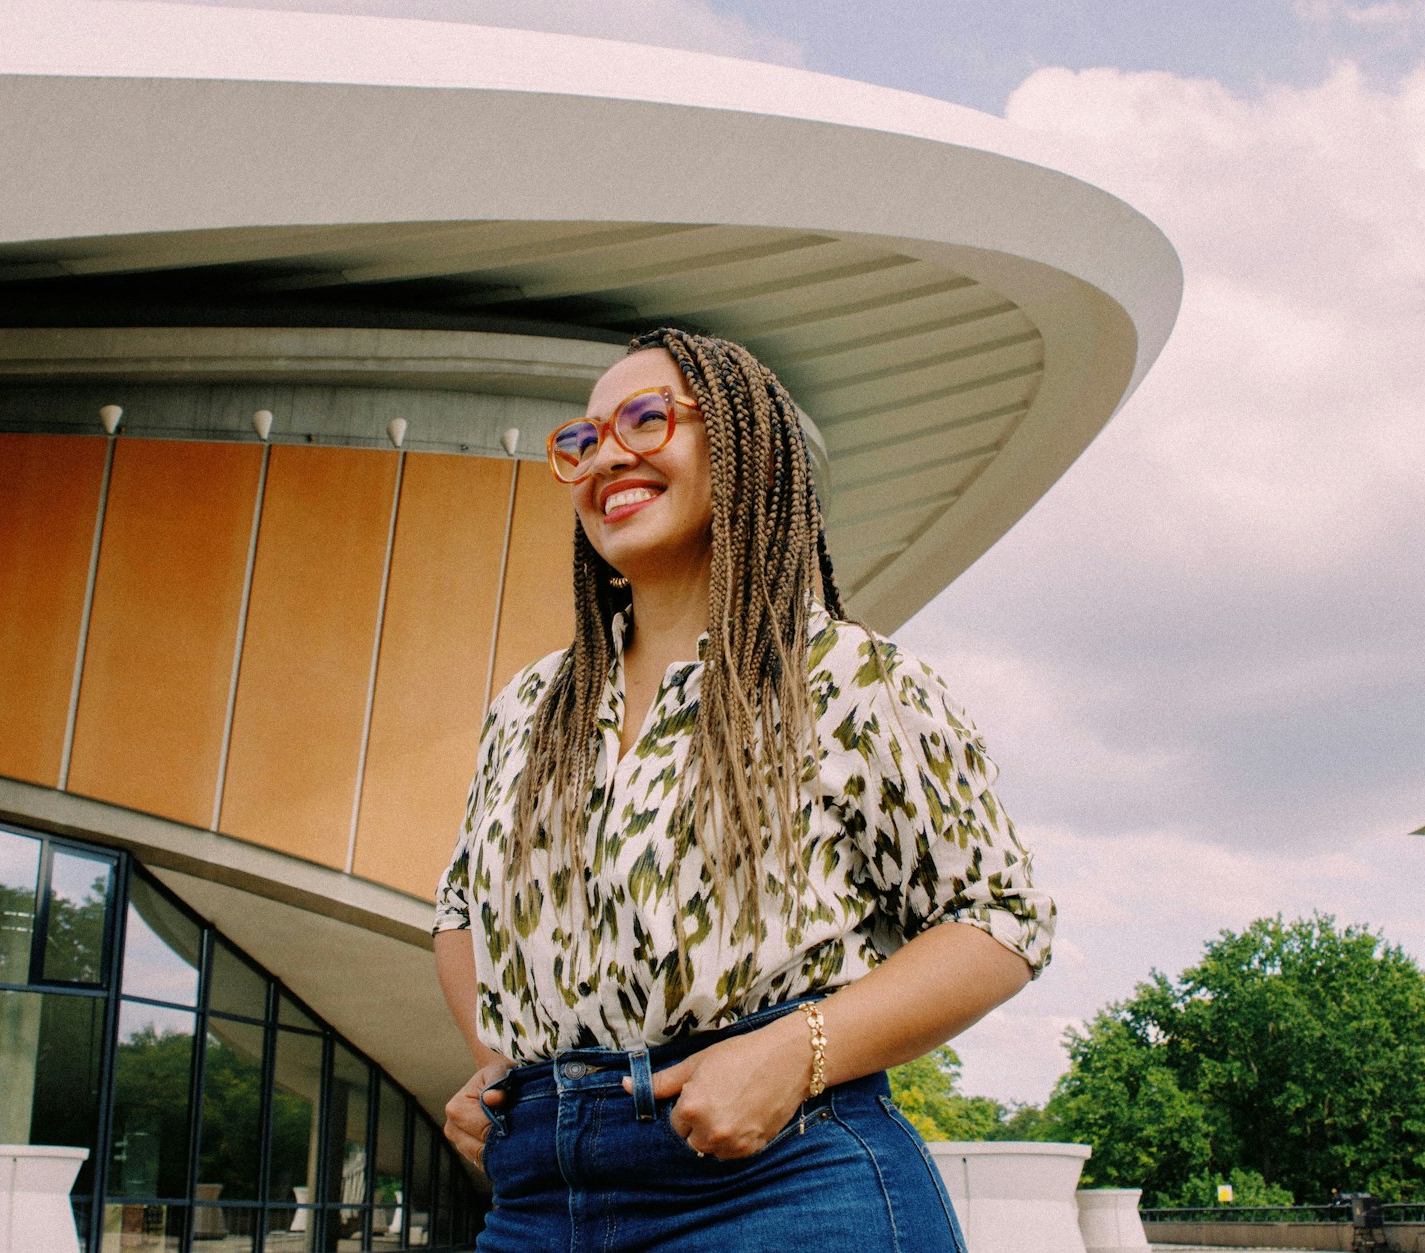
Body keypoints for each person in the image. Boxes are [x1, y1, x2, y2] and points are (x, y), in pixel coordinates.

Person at [432, 327, 1055, 1252]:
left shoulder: (846, 678)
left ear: (743, 448)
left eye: (646, 420)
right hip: (539, 1201)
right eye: (584, 440)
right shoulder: (531, 703)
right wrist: (510, 1067)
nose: (607, 456)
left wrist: (798, 1051)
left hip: (780, 1180)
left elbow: (999, 917)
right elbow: (457, 911)